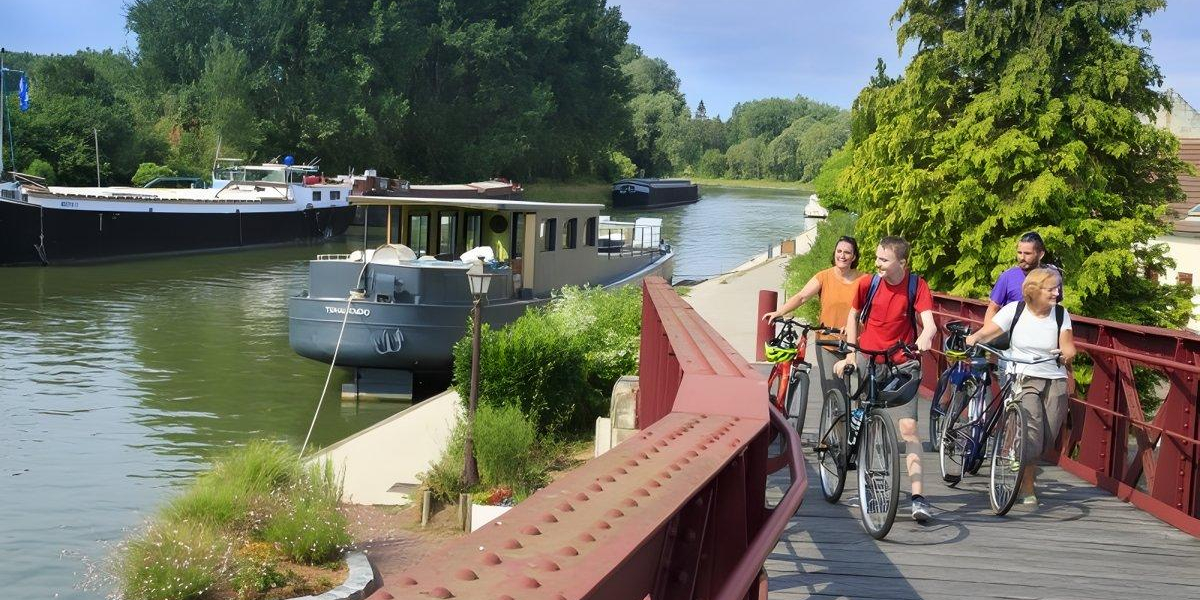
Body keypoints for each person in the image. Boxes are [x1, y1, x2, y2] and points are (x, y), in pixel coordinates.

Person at [833, 236, 937, 522]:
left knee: (909, 429)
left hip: (901, 360)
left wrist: (926, 337)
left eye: (884, 259)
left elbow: (929, 323)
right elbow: (853, 317)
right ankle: (857, 463)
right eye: (877, 257)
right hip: (868, 354)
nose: (877, 263)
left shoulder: (916, 285)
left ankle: (918, 498)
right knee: (862, 415)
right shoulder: (868, 283)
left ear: (901, 262)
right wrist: (852, 354)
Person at [966, 267, 1076, 506]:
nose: (1057, 292)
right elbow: (989, 331)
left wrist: (1065, 355)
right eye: (1051, 289)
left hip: (1054, 379)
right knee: (1032, 432)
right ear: (1034, 290)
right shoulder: (1014, 310)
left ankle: (1021, 457)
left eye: (1057, 288)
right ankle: (1027, 486)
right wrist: (974, 338)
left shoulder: (1060, 314)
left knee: (1048, 437)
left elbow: (1069, 347)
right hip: (1023, 376)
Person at [762, 236, 864, 397]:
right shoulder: (824, 276)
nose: (842, 256)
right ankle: (836, 421)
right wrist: (779, 312)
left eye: (847, 252)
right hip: (827, 342)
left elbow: (873, 310)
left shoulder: (865, 280)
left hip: (857, 344)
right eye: (839, 251)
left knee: (860, 394)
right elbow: (802, 296)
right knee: (834, 394)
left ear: (854, 257)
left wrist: (858, 324)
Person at [984, 231, 1062, 325]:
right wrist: (988, 335)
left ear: (1041, 254)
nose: (1022, 257)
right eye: (1019, 253)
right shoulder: (1007, 277)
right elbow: (992, 309)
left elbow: (1056, 308)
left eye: (1027, 253)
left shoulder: (1052, 276)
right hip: (1012, 335)